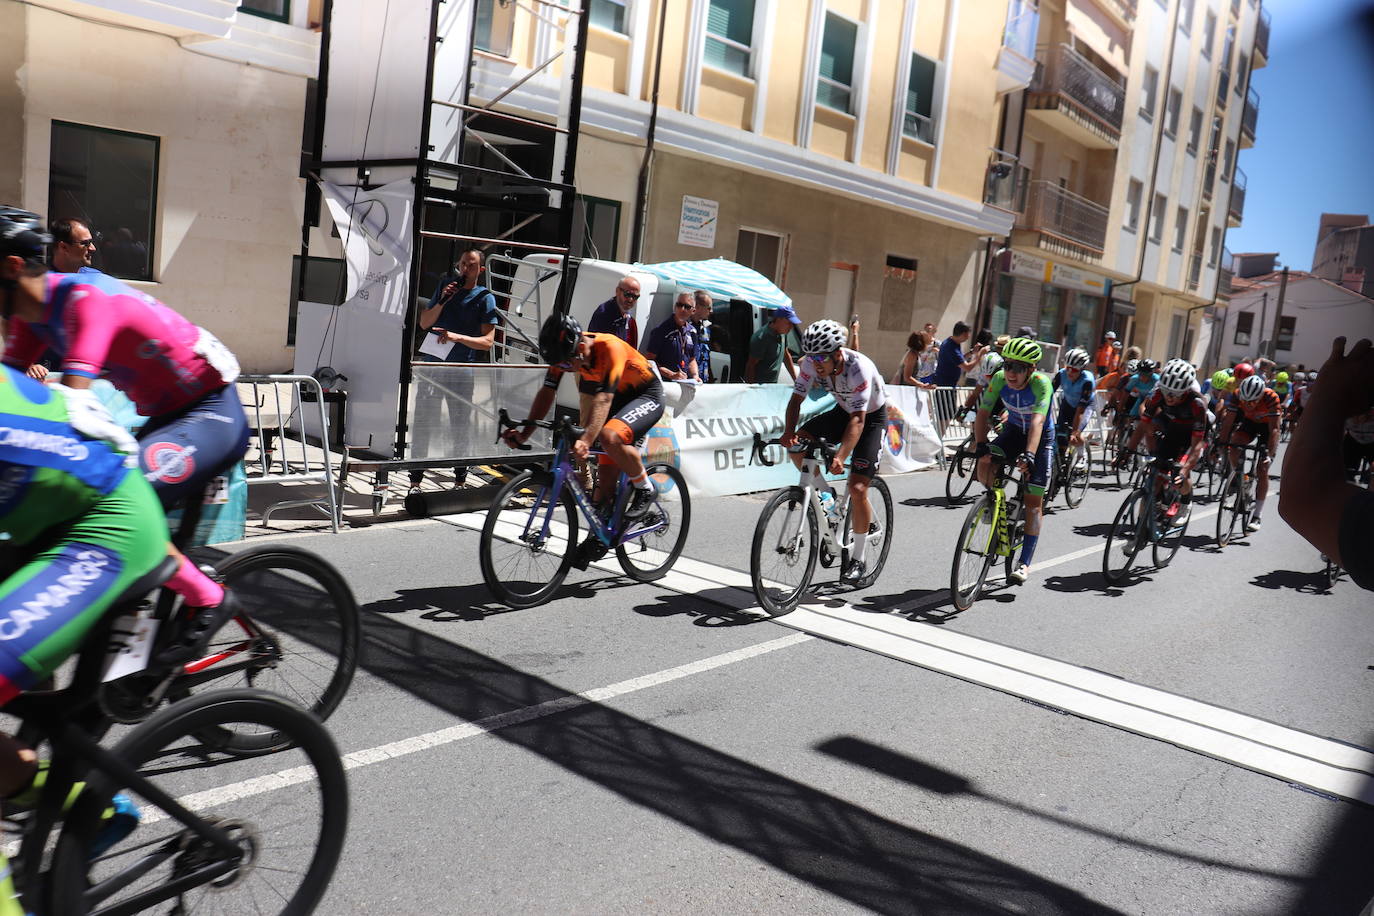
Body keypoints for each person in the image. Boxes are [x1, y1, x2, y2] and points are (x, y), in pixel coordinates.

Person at [0, 360, 247, 906]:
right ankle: (48, 778)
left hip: (136, 487)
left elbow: (79, 387)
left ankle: (197, 602)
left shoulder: (81, 301)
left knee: (149, 499)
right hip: (59, 494)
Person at [0, 208, 249, 513]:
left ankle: (172, 562)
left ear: (13, 267)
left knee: (114, 507)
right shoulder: (29, 317)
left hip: (210, 411)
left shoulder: (85, 301)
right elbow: (5, 391)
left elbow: (71, 408)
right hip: (164, 415)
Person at [504, 314, 665, 560]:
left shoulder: (609, 348)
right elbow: (547, 392)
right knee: (604, 483)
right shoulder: (564, 354)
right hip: (616, 400)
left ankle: (645, 488)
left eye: (568, 364)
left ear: (579, 347)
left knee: (610, 437)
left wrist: (587, 440)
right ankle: (600, 537)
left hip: (645, 395)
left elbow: (604, 399)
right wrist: (525, 433)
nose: (566, 369)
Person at [780, 320, 888, 584]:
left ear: (838, 353)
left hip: (870, 418)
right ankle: (826, 493)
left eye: (821, 358)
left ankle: (859, 560)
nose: (816, 364)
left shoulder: (858, 368)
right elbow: (796, 400)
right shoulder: (810, 364)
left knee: (858, 488)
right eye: (811, 357)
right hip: (842, 412)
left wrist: (840, 456)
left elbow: (859, 421)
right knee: (798, 445)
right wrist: (788, 432)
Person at [1279, 337, 1374, 591]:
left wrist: (1332, 390)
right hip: (1354, 439)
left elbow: (1300, 498)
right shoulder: (1300, 393)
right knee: (1347, 466)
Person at [411, 248, 501, 488]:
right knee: (423, 422)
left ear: (480, 270)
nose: (464, 269)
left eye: (471, 265)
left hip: (461, 370)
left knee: (459, 425)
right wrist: (443, 300)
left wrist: (456, 337)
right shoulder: (445, 286)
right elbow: (424, 323)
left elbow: (487, 342)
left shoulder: (484, 298)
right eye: (462, 264)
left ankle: (459, 479)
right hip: (432, 367)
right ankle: (415, 479)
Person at [972, 337, 1054, 584]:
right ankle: (995, 502)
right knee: (985, 462)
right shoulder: (998, 379)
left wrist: (1029, 454)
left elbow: (1038, 423)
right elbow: (983, 413)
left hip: (1039, 438)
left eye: (1018, 367)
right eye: (1007, 365)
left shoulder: (1042, 384)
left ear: (1031, 369)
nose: (1010, 372)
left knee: (1033, 503)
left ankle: (1024, 562)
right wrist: (981, 444)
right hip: (1014, 430)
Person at [1119, 359, 1209, 525]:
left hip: (1192, 434)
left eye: (1175, 393)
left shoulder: (1197, 403)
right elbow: (1143, 426)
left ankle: (1185, 501)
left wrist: (1184, 470)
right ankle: (1142, 526)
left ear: (1186, 391)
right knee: (1156, 469)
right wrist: (1127, 451)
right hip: (1174, 427)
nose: (1169, 397)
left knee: (1180, 470)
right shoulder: (1158, 394)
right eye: (1166, 391)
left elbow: (1196, 445)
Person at [1217, 373, 1282, 531]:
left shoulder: (1271, 397)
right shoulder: (1237, 394)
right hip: (1250, 423)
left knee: (1262, 469)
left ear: (1260, 396)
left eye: (1252, 402)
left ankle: (1257, 515)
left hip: (1268, 428)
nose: (1247, 405)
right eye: (1245, 401)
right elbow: (1228, 422)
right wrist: (1221, 444)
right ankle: (1239, 476)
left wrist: (1269, 455)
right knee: (1234, 444)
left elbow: (1274, 429)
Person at [643, 294, 699, 382]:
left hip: (684, 384)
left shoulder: (692, 332)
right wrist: (671, 374)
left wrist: (695, 376)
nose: (682, 309)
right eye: (679, 305)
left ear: (693, 311)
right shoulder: (661, 330)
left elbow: (692, 359)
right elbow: (649, 360)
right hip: (665, 384)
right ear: (675, 306)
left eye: (687, 307)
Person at [1052, 348, 1096, 449]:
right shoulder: (1061, 374)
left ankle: (1082, 454)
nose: (1070, 372)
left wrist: (1075, 431)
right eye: (1068, 368)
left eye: (1075, 370)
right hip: (1068, 403)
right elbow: (1047, 395)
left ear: (1082, 369)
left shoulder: (1087, 381)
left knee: (1075, 435)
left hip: (1085, 407)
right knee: (1061, 436)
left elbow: (1080, 410)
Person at [746, 305, 799, 383]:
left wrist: (796, 380)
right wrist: (752, 389)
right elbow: (751, 365)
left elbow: (786, 355)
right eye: (789, 323)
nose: (791, 327)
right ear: (778, 319)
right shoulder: (762, 338)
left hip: (772, 384)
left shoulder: (783, 334)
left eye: (792, 324)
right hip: (760, 387)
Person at [586, 276, 641, 348]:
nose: (630, 300)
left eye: (635, 296)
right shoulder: (604, 314)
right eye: (628, 294)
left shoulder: (628, 317)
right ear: (617, 291)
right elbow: (595, 346)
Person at [933, 321, 973, 387]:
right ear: (964, 334)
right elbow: (967, 368)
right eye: (968, 334)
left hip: (949, 384)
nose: (969, 337)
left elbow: (958, 360)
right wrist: (979, 355)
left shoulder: (952, 342)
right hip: (945, 385)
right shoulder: (951, 347)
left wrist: (971, 353)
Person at [691, 289, 714, 383]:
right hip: (691, 380)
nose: (711, 311)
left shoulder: (705, 328)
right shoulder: (685, 328)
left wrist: (711, 378)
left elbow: (706, 357)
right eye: (708, 307)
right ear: (697, 306)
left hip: (704, 380)